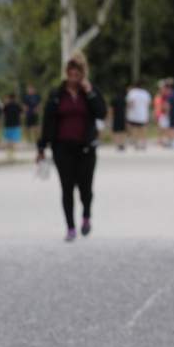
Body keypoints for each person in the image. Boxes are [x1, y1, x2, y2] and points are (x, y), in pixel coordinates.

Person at [37, 51, 107, 242]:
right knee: (67, 188)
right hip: (62, 148)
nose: (73, 75)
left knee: (86, 188)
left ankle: (86, 215)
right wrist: (41, 147)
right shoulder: (56, 95)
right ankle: (70, 227)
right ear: (66, 72)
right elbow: (47, 121)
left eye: (78, 71)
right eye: (71, 71)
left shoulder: (90, 92)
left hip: (86, 148)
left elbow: (101, 113)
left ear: (83, 73)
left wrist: (90, 92)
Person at [125, 81, 150, 150]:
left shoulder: (132, 92)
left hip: (134, 115)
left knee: (134, 129)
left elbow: (130, 103)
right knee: (143, 129)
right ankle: (144, 143)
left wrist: (128, 111)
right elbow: (147, 103)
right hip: (143, 114)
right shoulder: (145, 93)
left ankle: (136, 144)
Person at [2, 92, 23, 160]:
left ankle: (9, 153)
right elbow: (21, 114)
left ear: (9, 98)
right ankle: (12, 152)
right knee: (14, 140)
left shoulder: (6, 105)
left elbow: (3, 114)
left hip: (8, 124)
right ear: (15, 98)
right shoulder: (18, 105)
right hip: (16, 124)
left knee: (8, 139)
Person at [110, 85, 128, 151]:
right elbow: (126, 109)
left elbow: (111, 109)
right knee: (123, 131)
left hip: (116, 117)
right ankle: (122, 144)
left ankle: (117, 144)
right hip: (122, 116)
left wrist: (111, 117)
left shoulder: (114, 99)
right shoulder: (124, 99)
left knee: (116, 131)